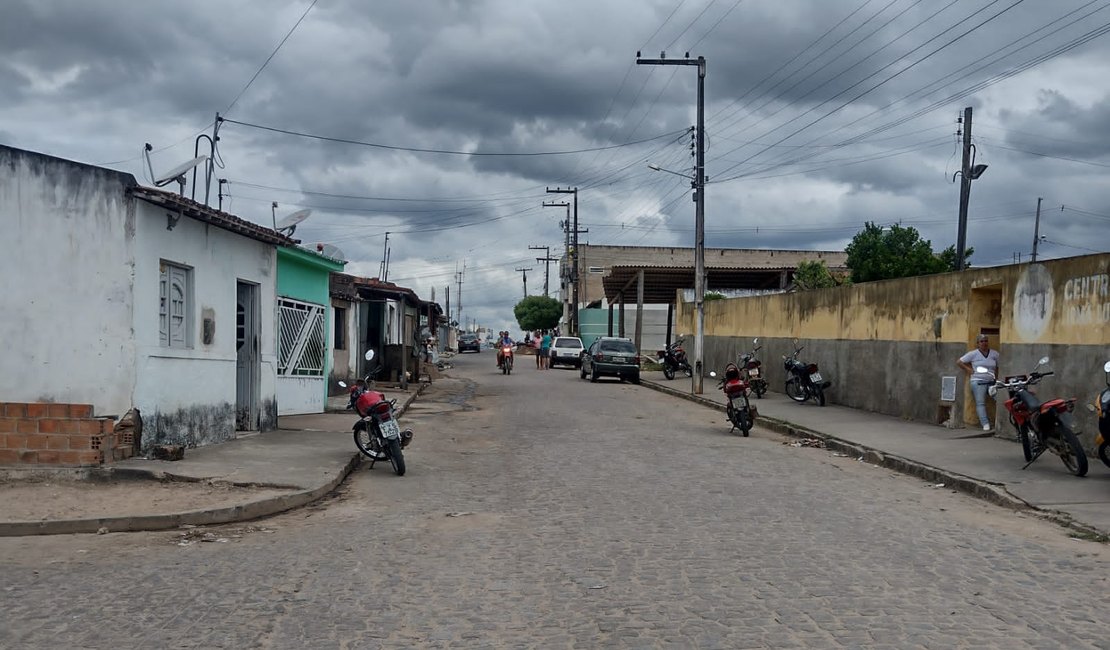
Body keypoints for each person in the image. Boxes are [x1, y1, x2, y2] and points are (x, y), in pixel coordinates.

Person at [957, 334, 1000, 432]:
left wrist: (997, 378)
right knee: (980, 403)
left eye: (985, 341)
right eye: (981, 341)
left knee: (999, 399)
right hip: (978, 381)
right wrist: (969, 370)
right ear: (978, 343)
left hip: (991, 381)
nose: (984, 343)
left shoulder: (994, 354)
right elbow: (959, 362)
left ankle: (999, 422)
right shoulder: (973, 354)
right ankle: (985, 424)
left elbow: (998, 366)